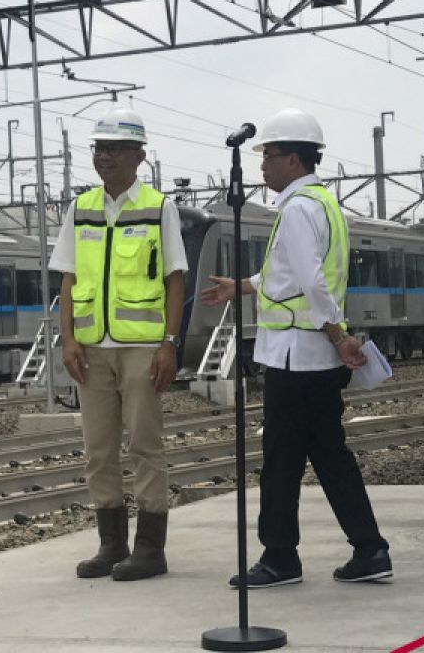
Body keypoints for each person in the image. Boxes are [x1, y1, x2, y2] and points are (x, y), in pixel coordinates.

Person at [200, 107, 391, 588]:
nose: (263, 165)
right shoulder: (322, 205)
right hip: (310, 356)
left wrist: (337, 335)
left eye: (270, 154)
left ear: (293, 160)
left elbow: (309, 281)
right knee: (330, 455)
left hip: (296, 356)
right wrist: (241, 286)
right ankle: (370, 549)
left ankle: (280, 557)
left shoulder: (299, 210)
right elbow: (290, 276)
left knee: (282, 461)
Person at [51, 106, 186, 582]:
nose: (103, 157)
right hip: (91, 350)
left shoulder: (158, 207)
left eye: (113, 149)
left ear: (138, 155)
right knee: (99, 448)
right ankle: (111, 544)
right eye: (98, 148)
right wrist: (67, 339)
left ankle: (150, 548)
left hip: (143, 347)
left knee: (145, 445)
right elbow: (68, 279)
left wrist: (169, 343)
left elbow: (175, 281)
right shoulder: (81, 208)